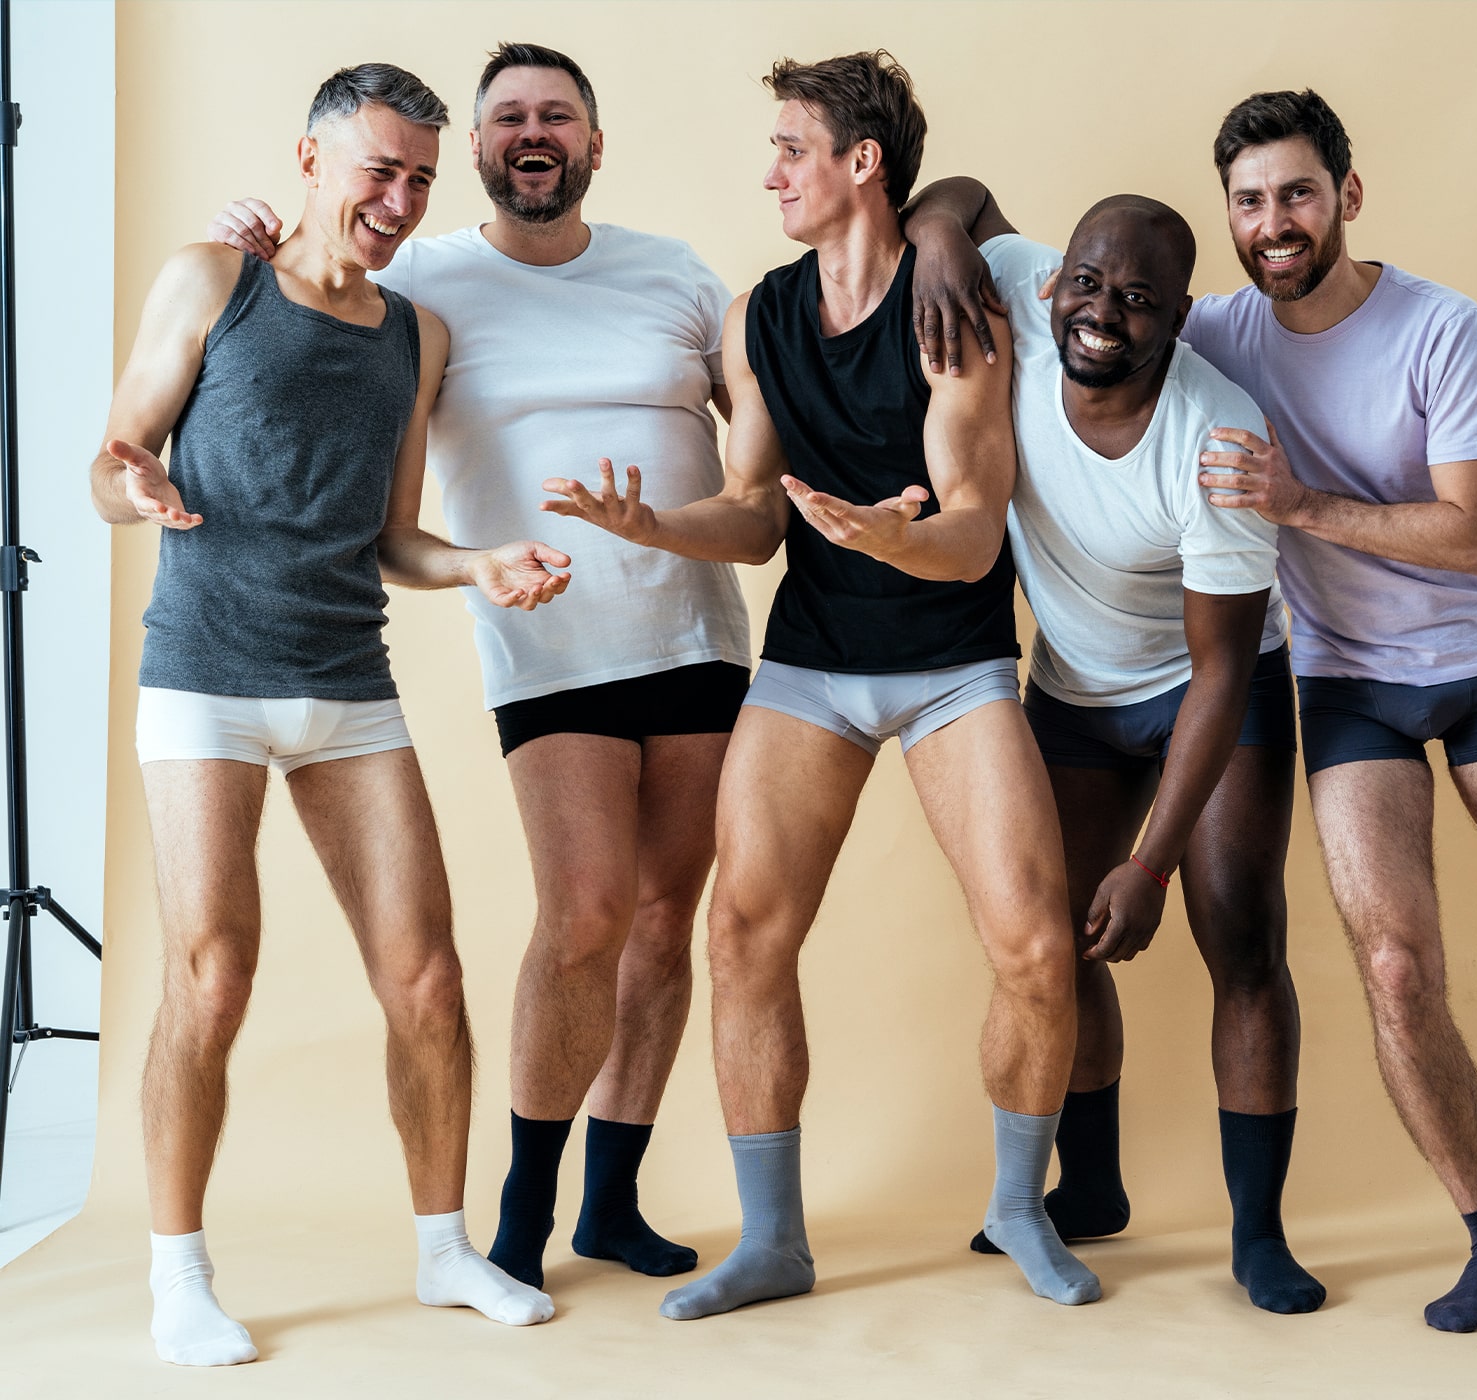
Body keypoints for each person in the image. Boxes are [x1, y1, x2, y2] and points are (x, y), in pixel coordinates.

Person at [546, 50, 1097, 1318]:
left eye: (792, 146)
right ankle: (775, 1240)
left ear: (863, 162)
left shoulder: (953, 306)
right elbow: (751, 516)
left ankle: (1016, 1207)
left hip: (954, 662)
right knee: (742, 934)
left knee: (1029, 939)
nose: (771, 171)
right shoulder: (759, 315)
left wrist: (896, 536)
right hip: (811, 662)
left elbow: (971, 524)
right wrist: (654, 526)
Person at [208, 42, 751, 1289]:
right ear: (480, 152)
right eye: (508, 116)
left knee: (665, 924)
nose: (532, 130)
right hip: (549, 653)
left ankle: (610, 1203)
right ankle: (519, 1213)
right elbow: (306, 307)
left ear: (594, 144)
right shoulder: (425, 284)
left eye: (558, 113)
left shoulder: (674, 275)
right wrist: (243, 238)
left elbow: (762, 452)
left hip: (698, 641)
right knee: (585, 919)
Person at [92, 64, 563, 1365]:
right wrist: (132, 492)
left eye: (421, 176)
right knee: (213, 971)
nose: (402, 198)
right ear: (310, 160)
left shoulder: (418, 336)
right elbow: (109, 459)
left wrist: (478, 565)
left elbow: (398, 537)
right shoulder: (213, 279)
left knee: (427, 977)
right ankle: (176, 1277)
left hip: (347, 684)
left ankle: (443, 1251)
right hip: (204, 681)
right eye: (380, 169)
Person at [1183, 88, 1477, 1331]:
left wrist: (1296, 505)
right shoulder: (1219, 332)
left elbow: (1467, 533)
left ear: (1345, 195)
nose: (1272, 221)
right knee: (1393, 963)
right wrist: (954, 227)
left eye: (1294, 193)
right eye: (1247, 201)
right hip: (1347, 686)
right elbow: (1060, 283)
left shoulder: (1439, 325)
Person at [898, 181, 1325, 1313]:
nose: (1101, 311)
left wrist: (1151, 860)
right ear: (1049, 280)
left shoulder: (1218, 436)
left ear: (1179, 318)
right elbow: (958, 196)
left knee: (1236, 932)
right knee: (1055, 936)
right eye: (1085, 283)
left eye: (1137, 298)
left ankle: (1256, 1231)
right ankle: (1088, 1189)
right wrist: (939, 234)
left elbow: (1222, 670)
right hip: (1075, 691)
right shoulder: (1026, 308)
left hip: (1207, 686)